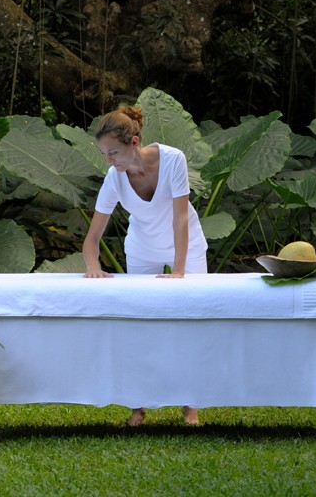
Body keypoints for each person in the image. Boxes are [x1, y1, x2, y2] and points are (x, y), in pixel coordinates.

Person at [81, 105, 208, 427]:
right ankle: (138, 407)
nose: (109, 161)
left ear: (134, 142)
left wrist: (178, 271)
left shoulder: (173, 159)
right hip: (142, 248)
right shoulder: (114, 178)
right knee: (140, 324)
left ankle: (190, 405)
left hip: (187, 244)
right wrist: (93, 267)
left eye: (114, 153)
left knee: (193, 320)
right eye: (104, 155)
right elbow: (92, 237)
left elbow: (181, 218)